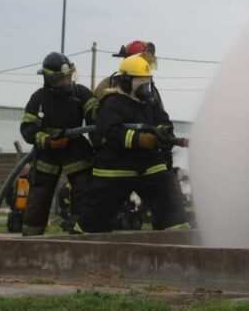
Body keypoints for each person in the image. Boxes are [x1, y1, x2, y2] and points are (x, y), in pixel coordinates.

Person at [80, 54, 188, 233]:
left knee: (171, 210)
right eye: (141, 83)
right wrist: (140, 139)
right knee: (94, 222)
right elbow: (110, 131)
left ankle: (177, 239)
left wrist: (163, 133)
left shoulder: (151, 103)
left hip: (148, 165)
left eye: (148, 82)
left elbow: (165, 122)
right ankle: (82, 245)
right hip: (115, 168)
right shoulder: (111, 103)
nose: (146, 88)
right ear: (125, 82)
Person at [20, 52, 97, 235]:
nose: (66, 81)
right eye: (61, 78)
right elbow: (27, 128)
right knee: (39, 197)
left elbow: (95, 118)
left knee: (84, 192)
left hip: (76, 149)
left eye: (68, 76)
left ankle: (81, 234)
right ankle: (30, 241)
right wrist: (47, 141)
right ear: (49, 78)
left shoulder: (81, 93)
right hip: (47, 153)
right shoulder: (38, 98)